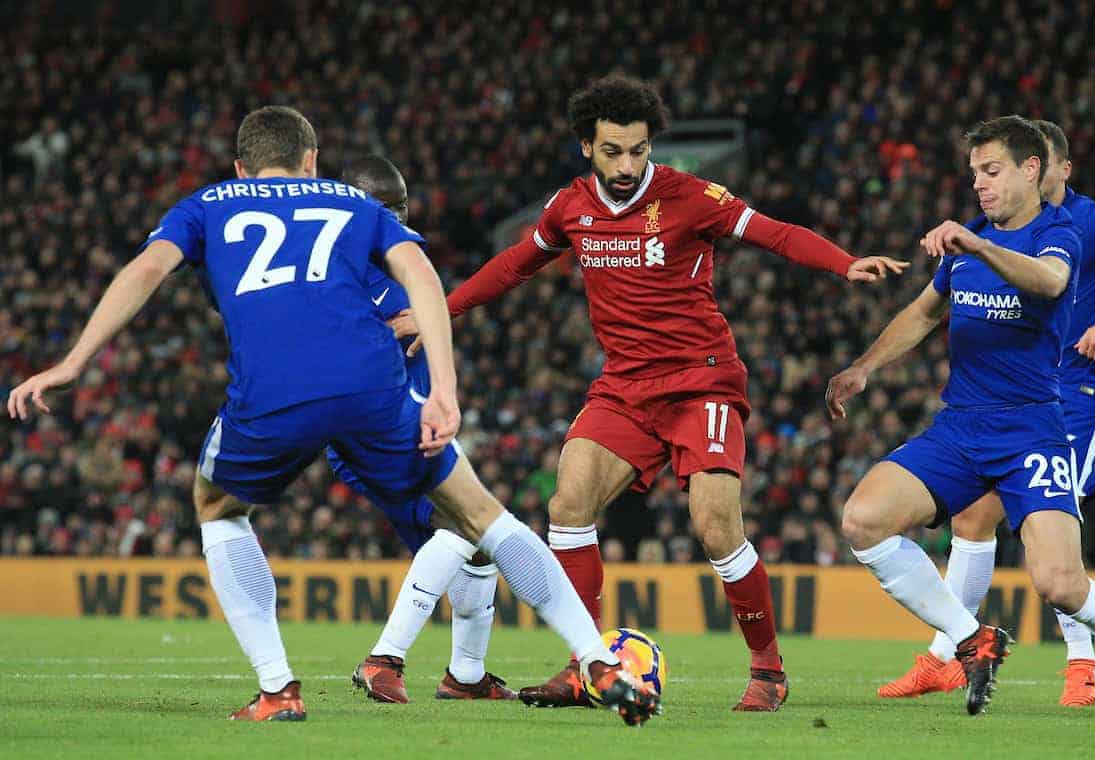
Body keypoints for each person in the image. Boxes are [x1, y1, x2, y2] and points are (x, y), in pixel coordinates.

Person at [6, 106, 658, 727]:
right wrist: (445, 390)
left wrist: (73, 362)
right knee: (484, 516)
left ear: (241, 168)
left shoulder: (205, 204)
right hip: (372, 386)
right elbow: (422, 275)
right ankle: (598, 661)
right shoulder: (353, 202)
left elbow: (146, 268)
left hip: (274, 391)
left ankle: (277, 689)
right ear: (312, 160)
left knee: (217, 507)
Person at [411, 74, 906, 712]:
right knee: (568, 505)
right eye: (613, 150)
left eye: (638, 150)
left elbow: (774, 232)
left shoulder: (691, 196)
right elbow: (513, 265)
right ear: (586, 147)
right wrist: (441, 312)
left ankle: (768, 671)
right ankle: (584, 663)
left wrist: (845, 263)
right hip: (624, 387)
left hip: (702, 382)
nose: (627, 164)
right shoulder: (570, 207)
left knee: (715, 527)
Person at [826, 115, 1095, 720]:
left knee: (1061, 584)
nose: (980, 185)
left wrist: (979, 243)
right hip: (961, 426)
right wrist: (864, 368)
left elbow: (1050, 281)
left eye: (992, 171)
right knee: (863, 520)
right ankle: (970, 639)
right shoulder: (971, 243)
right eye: (974, 174)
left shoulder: (1058, 231)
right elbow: (923, 313)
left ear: (1031, 169)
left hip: (1031, 429)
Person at [329, 155, 513, 702]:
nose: (399, 219)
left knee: (475, 548)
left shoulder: (379, 264)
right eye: (387, 208)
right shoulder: (364, 274)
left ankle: (467, 676)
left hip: (395, 426)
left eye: (402, 206)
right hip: (385, 431)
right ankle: (384, 660)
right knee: (465, 526)